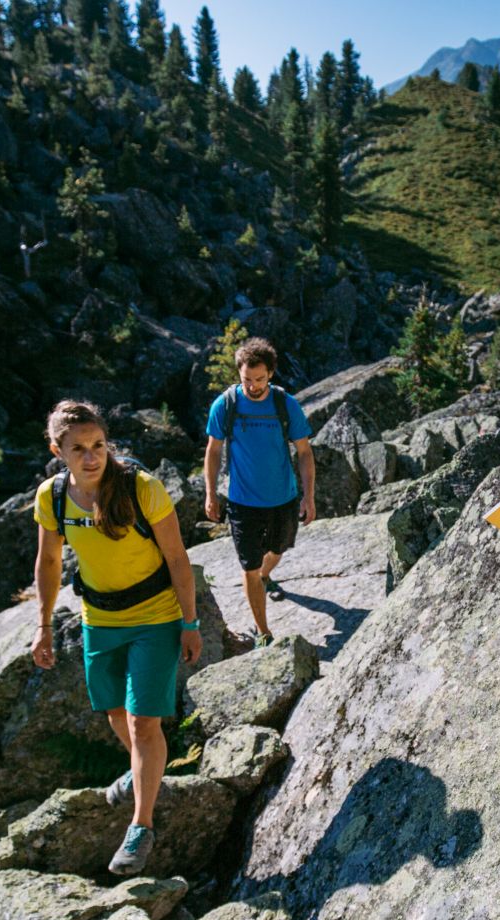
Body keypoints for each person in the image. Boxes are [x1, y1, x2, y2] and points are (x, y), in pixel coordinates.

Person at [30, 400, 203, 876]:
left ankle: (141, 826)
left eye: (99, 445)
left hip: (155, 618)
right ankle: (143, 771)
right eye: (79, 449)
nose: (91, 457)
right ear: (57, 450)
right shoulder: (53, 496)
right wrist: (43, 625)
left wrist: (189, 623)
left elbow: (177, 558)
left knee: (144, 725)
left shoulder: (141, 488)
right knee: (115, 713)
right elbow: (47, 564)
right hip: (99, 622)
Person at [203, 337, 316, 646]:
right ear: (239, 374)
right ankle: (264, 633)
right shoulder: (225, 405)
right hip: (242, 502)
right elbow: (213, 451)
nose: (253, 386)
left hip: (283, 498)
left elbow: (304, 452)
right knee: (249, 567)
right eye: (246, 380)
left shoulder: (285, 405)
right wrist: (210, 493)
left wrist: (309, 496)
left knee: (277, 551)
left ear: (271, 373)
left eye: (259, 379)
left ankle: (266, 574)